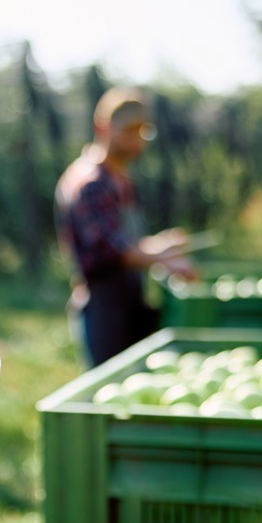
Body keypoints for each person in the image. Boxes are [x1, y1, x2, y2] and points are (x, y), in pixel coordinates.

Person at [54, 87, 199, 367]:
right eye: (129, 130)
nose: (137, 140)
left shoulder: (119, 179)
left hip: (129, 299)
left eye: (144, 131)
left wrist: (160, 244)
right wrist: (165, 260)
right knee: (110, 391)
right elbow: (111, 249)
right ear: (103, 127)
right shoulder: (90, 183)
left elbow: (125, 241)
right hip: (104, 307)